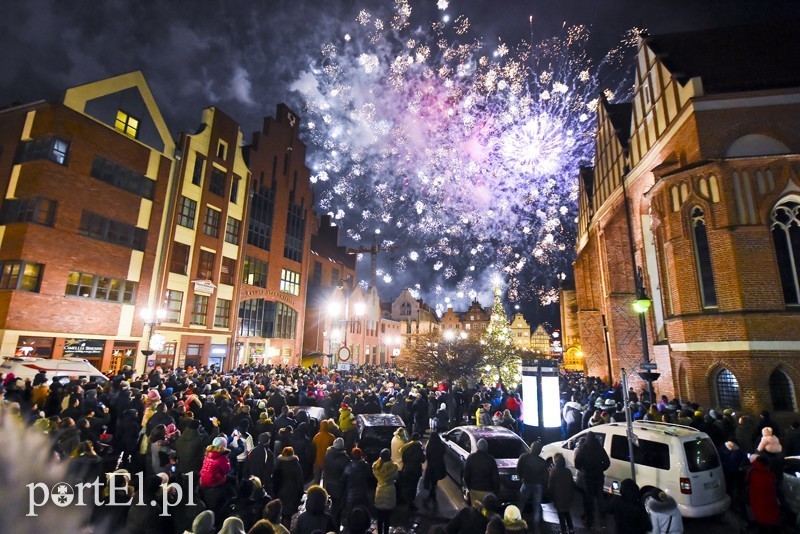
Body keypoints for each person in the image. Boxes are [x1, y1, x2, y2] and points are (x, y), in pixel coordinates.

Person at [573, 431, 610, 530]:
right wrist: (601, 468)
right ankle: (603, 521)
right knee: (600, 499)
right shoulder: (599, 448)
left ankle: (590, 522)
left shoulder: (584, 449)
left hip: (587, 477)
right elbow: (607, 462)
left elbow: (577, 463)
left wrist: (583, 469)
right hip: (598, 476)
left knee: (589, 500)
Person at [516, 440, 548, 529]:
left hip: (526, 483)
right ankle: (536, 527)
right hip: (538, 485)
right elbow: (545, 477)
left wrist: (521, 477)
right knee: (537, 507)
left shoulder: (524, 457)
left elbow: (518, 469)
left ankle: (516, 522)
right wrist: (544, 488)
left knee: (521, 504)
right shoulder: (542, 462)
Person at [746, 455, 780, 532]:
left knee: (761, 521)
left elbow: (747, 483)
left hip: (756, 501)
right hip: (770, 501)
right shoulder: (770, 474)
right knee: (770, 519)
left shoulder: (751, 472)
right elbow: (774, 486)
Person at [463, 438, 500, 506]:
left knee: (475, 511)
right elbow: (496, 479)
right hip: (488, 491)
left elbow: (466, 476)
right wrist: (495, 491)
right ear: (487, 448)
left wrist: (470, 487)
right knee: (487, 511)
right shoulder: (491, 460)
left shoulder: (471, 458)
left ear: (477, 446)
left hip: (474, 490)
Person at [322, 437, 350, 526]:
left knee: (331, 505)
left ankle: (329, 524)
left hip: (328, 483)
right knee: (337, 508)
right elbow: (346, 473)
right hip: (338, 485)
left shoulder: (327, 454)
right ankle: (334, 526)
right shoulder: (344, 458)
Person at [372, 448, 399, 534]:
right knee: (387, 518)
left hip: (380, 491)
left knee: (379, 518)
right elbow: (396, 477)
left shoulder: (376, 467)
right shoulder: (394, 467)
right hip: (389, 492)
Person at [274, 447, 304, 522]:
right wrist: (300, 493)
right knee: (288, 516)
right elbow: (300, 480)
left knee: (280, 513)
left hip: (279, 491)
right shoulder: (295, 464)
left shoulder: (278, 463)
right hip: (292, 492)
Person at [548, 453, 575, 534]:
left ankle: (563, 530)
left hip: (558, 497)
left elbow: (551, 485)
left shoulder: (554, 471)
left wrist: (550, 495)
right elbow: (572, 484)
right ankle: (571, 529)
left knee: (560, 514)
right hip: (567, 496)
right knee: (567, 512)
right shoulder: (568, 471)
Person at [342, 448, 371, 520]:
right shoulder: (366, 465)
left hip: (351, 494)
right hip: (363, 493)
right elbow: (370, 476)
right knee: (363, 513)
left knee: (350, 514)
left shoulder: (349, 466)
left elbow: (342, 479)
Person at [399, 432, 425, 509]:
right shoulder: (419, 448)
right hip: (415, 470)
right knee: (413, 486)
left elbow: (403, 459)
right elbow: (423, 460)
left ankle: (404, 500)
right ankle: (411, 503)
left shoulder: (406, 447)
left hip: (407, 469)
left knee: (407, 485)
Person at [423, 431, 447, 502]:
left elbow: (427, 456)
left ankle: (432, 494)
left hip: (431, 466)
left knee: (431, 480)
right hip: (439, 465)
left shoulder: (429, 446)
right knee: (434, 481)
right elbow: (443, 453)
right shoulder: (442, 445)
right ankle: (432, 494)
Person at [311, 420, 335, 484]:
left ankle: (315, 492)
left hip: (318, 460)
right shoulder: (331, 437)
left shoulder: (316, 437)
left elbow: (313, 449)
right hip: (327, 461)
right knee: (326, 480)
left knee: (316, 479)